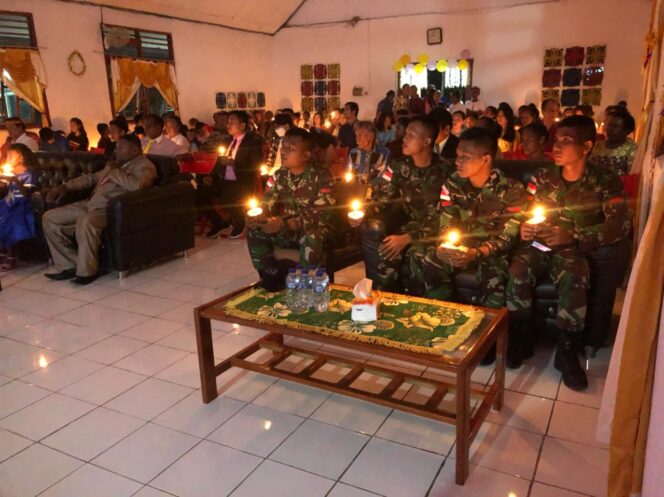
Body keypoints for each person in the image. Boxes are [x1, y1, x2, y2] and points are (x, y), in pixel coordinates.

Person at [506, 115, 631, 388]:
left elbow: (618, 226)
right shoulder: (542, 176)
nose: (558, 147)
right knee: (517, 272)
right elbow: (524, 212)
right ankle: (521, 338)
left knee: (573, 276)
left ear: (586, 146)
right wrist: (523, 228)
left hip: (571, 247)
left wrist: (573, 236)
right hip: (538, 244)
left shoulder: (605, 181)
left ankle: (566, 352)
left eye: (567, 141)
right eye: (556, 141)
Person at [422, 127, 528, 364]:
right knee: (431, 260)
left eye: (465, 157)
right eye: (457, 155)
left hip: (493, 250)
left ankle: (486, 341)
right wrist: (446, 247)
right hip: (464, 245)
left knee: (493, 275)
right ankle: (448, 324)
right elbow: (447, 223)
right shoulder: (452, 184)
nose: (457, 162)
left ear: (486, 159)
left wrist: (478, 253)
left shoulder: (511, 189)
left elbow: (509, 235)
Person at [349, 115, 453, 293]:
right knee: (386, 251)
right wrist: (363, 213)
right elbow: (383, 198)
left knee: (418, 255)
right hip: (408, 226)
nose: (404, 138)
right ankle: (385, 302)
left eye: (411, 135)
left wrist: (409, 237)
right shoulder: (398, 166)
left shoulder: (446, 171)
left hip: (438, 231)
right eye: (405, 134)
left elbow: (446, 217)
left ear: (427, 141)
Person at [42, 135, 157, 284]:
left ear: (134, 150)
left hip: (112, 210)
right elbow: (91, 179)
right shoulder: (116, 164)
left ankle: (87, 272)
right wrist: (64, 187)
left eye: (121, 148)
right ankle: (69, 265)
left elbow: (137, 186)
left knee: (86, 221)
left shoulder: (145, 165)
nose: (116, 151)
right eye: (116, 147)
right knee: (50, 217)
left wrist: (115, 171)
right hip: (90, 204)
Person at [247, 127, 335, 275]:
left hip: (313, 229)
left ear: (306, 155)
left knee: (312, 236)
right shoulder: (279, 175)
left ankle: (310, 281)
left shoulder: (322, 176)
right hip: (288, 230)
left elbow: (322, 215)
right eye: (283, 146)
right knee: (255, 230)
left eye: (291, 148)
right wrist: (259, 217)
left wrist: (285, 223)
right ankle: (268, 275)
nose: (283, 151)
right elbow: (266, 202)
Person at [203, 110, 264, 239]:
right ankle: (220, 223)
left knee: (227, 198)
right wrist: (211, 175)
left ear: (242, 125)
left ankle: (240, 221)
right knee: (201, 195)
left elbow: (255, 164)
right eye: (227, 122)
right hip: (226, 178)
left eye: (232, 122)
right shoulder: (228, 141)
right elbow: (220, 161)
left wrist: (233, 163)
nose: (228, 125)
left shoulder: (252, 141)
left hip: (242, 180)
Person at [0, 144, 40, 271]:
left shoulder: (29, 174)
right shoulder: (9, 172)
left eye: (11, 155)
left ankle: (11, 255)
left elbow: (27, 194)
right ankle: (2, 252)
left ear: (21, 158)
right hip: (7, 202)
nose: (8, 158)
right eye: (7, 155)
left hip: (22, 204)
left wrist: (15, 180)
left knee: (9, 219)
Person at [589, 107, 638, 176]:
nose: (610, 129)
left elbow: (632, 174)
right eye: (609, 125)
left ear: (626, 131)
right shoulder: (598, 146)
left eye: (615, 126)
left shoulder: (632, 149)